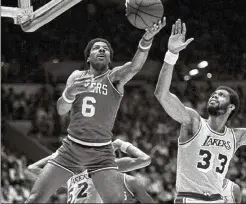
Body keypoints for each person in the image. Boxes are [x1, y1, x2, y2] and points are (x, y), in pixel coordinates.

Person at [25, 17, 166, 203]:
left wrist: (146, 40)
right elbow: (61, 109)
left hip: (102, 153)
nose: (101, 50)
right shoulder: (76, 77)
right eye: (96, 48)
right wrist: (69, 92)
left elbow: (135, 66)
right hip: (71, 148)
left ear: (109, 58)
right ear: (88, 57)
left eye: (105, 49)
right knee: (35, 198)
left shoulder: (114, 77)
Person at [154, 19, 246, 203]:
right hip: (190, 198)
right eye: (214, 94)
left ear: (231, 107)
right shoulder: (194, 121)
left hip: (217, 199)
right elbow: (161, 94)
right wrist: (171, 54)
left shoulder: (236, 136)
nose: (214, 96)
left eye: (221, 95)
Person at [26, 139, 154, 203]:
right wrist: (121, 144)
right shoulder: (105, 168)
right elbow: (145, 159)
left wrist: (60, 154)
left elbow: (32, 168)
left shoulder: (70, 174)